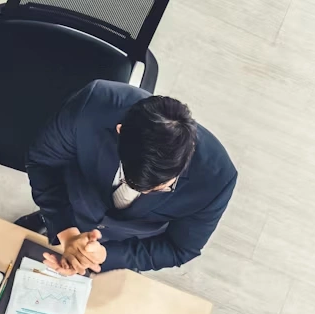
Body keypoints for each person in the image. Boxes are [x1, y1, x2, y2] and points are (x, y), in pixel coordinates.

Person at [21, 80, 237, 274]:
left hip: (129, 238)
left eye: (159, 188)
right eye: (128, 178)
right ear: (120, 131)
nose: (139, 192)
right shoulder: (91, 106)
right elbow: (43, 162)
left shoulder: (216, 180)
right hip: (76, 201)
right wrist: (66, 232)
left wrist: (107, 256)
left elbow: (180, 248)